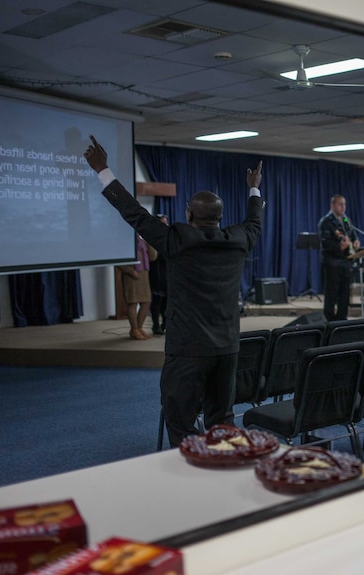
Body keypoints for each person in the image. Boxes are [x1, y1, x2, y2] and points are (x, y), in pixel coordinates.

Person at [83, 135, 264, 448]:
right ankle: (220, 474)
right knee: (222, 420)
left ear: (189, 215)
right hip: (226, 348)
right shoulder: (239, 241)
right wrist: (254, 187)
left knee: (180, 421)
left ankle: (189, 477)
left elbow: (134, 214)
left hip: (187, 350)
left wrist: (103, 171)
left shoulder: (176, 241)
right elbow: (254, 220)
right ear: (219, 218)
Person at [318, 195, 359, 321]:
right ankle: (329, 320)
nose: (343, 207)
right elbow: (325, 243)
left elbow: (352, 234)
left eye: (344, 204)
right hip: (332, 262)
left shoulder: (346, 220)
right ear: (332, 205)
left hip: (346, 262)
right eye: (340, 204)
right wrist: (339, 246)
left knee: (345, 293)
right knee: (332, 293)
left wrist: (356, 241)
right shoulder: (326, 221)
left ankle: (342, 318)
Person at [117, 234, 156, 340]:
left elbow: (153, 257)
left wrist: (149, 241)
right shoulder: (124, 241)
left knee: (146, 302)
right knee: (133, 302)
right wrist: (130, 271)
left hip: (144, 275)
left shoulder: (142, 240)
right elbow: (119, 261)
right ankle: (134, 329)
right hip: (131, 276)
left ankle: (139, 328)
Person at [149, 214, 168, 335]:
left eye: (166, 223)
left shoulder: (168, 237)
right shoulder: (152, 237)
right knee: (157, 302)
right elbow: (152, 257)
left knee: (167, 302)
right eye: (162, 223)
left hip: (168, 273)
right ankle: (156, 325)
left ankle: (166, 324)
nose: (165, 225)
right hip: (156, 273)